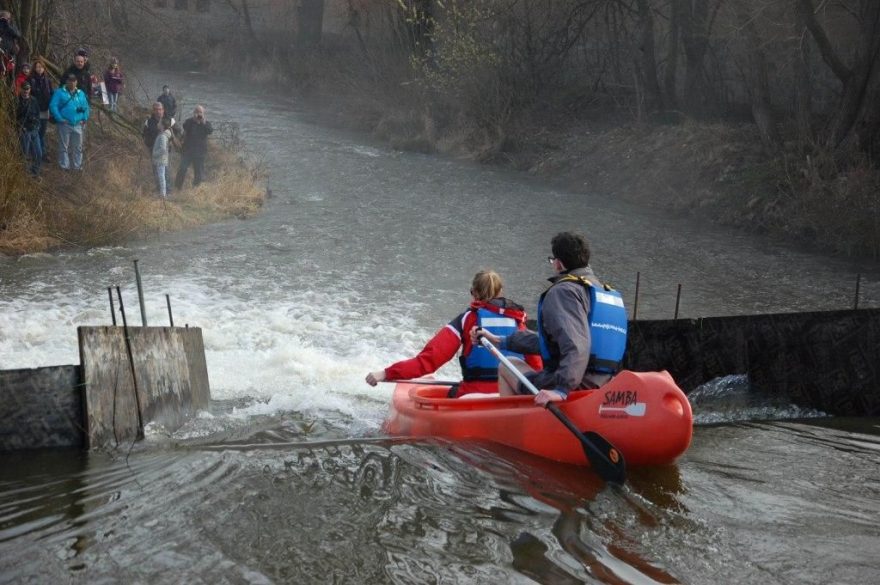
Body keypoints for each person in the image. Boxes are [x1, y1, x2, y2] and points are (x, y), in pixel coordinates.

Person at [472, 232, 628, 406]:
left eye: (552, 260)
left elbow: (576, 344)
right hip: (605, 386)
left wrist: (561, 390)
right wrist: (500, 341)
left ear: (559, 263)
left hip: (575, 387)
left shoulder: (564, 292)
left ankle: (513, 428)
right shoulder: (601, 292)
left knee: (507, 366)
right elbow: (553, 342)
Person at [366, 270, 542, 397]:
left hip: (473, 394)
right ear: (501, 293)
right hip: (513, 396)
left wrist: (386, 373)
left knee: (451, 392)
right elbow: (536, 368)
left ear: (473, 293)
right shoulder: (518, 321)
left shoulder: (466, 320)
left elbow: (428, 361)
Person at [49, 73, 90, 171]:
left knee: (78, 147)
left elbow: (86, 107)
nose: (72, 83)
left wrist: (84, 118)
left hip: (78, 124)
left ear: (76, 82)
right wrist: (59, 118)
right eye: (70, 81)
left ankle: (77, 166)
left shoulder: (81, 93)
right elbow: (53, 105)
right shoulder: (59, 92)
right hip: (65, 124)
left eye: (74, 81)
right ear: (66, 82)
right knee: (64, 146)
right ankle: (64, 166)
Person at [175, 105, 213, 189]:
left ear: (203, 114)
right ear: (194, 113)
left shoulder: (206, 123)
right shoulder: (189, 121)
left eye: (200, 112)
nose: (199, 114)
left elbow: (210, 131)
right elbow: (185, 127)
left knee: (198, 173)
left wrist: (202, 122)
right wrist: (194, 120)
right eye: (197, 112)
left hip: (200, 153)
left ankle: (195, 189)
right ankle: (177, 188)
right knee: (182, 169)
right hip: (187, 151)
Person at [143, 101, 175, 194]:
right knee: (156, 172)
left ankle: (168, 192)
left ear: (163, 110)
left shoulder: (170, 120)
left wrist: (171, 142)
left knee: (166, 171)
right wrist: (149, 145)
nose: (158, 111)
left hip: (166, 151)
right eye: (156, 109)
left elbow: (178, 132)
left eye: (160, 109)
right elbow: (144, 135)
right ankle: (159, 190)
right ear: (153, 111)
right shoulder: (148, 122)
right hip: (153, 149)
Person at [15, 81, 42, 176]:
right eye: (24, 89)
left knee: (38, 153)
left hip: (34, 130)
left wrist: (37, 125)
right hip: (24, 131)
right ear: (20, 89)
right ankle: (23, 174)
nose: (26, 91)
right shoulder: (16, 101)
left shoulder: (34, 100)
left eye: (28, 89)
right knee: (24, 153)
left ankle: (35, 172)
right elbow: (13, 117)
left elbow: (38, 115)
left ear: (30, 89)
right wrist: (20, 127)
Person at [29, 59, 53, 160]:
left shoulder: (48, 81)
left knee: (42, 133)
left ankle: (42, 153)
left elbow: (51, 94)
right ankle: (35, 154)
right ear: (34, 68)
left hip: (45, 109)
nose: (39, 69)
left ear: (44, 68)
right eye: (37, 67)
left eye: (41, 67)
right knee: (34, 132)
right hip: (34, 110)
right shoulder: (30, 80)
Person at [152, 118, 173, 198]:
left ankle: (163, 195)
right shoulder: (162, 135)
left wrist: (154, 154)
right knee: (161, 176)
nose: (158, 124)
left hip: (161, 160)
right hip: (162, 159)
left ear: (162, 126)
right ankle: (162, 193)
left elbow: (163, 149)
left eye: (159, 123)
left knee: (161, 177)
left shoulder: (163, 136)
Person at [0, 11, 21, 80]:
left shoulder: (11, 26)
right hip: (1, 50)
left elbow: (17, 35)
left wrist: (7, 25)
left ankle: (11, 86)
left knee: (11, 72)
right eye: (3, 18)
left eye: (7, 18)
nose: (5, 20)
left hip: (10, 52)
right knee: (2, 69)